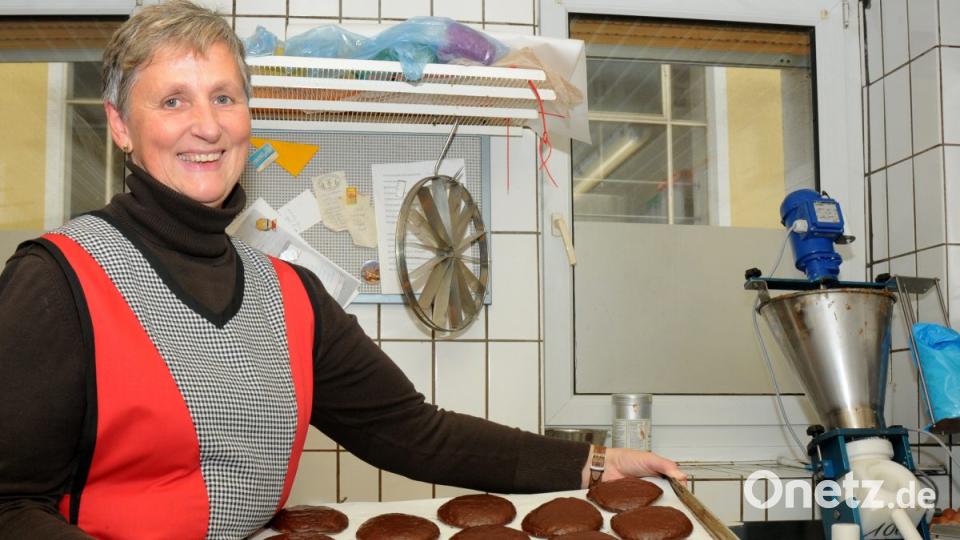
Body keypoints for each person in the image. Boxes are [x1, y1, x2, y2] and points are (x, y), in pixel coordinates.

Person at [0, 2, 685, 538]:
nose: (207, 125)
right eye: (173, 100)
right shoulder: (58, 280)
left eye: (225, 97)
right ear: (121, 125)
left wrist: (594, 463)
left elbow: (413, 432)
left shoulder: (288, 295)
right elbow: (9, 506)